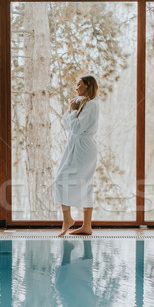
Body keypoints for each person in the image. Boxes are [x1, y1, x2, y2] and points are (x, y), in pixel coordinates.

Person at [55, 75, 100, 236]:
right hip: (76, 145)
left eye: (79, 84)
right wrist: (71, 110)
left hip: (83, 148)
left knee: (67, 181)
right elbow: (68, 124)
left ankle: (72, 220)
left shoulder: (92, 105)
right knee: (69, 181)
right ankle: (84, 225)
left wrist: (72, 111)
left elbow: (76, 128)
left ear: (88, 85)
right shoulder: (84, 103)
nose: (76, 88)